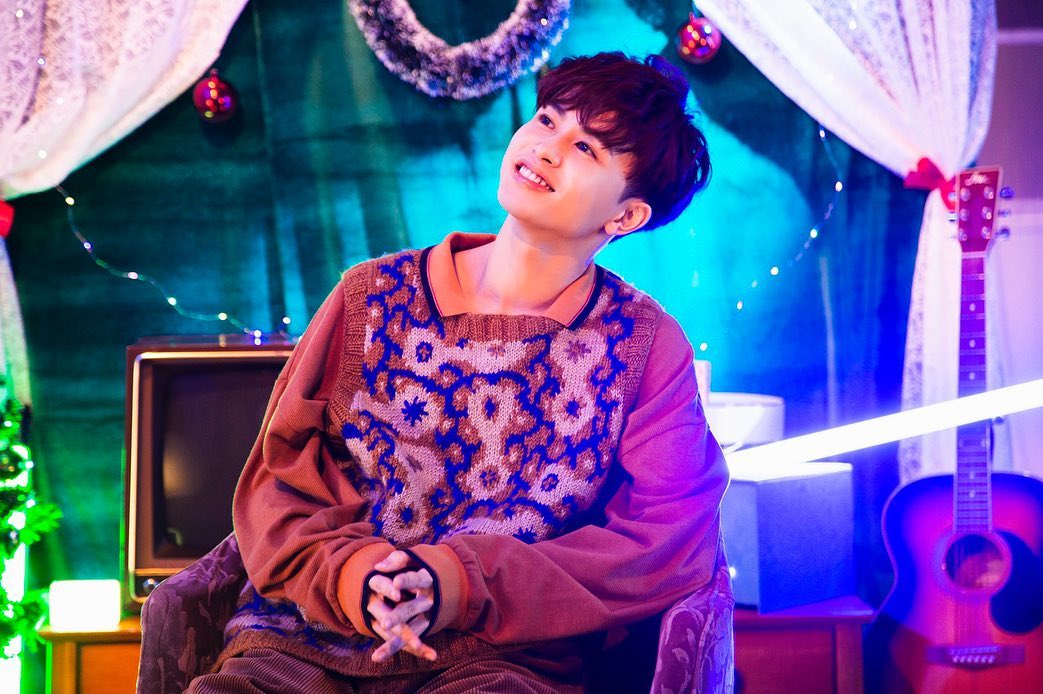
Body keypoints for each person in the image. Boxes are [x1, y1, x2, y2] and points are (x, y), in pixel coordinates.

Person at [188, 51, 729, 693]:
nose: (546, 148)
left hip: (503, 658)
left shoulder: (643, 343)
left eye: (585, 147)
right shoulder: (370, 296)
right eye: (547, 119)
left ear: (627, 216)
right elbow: (282, 477)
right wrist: (360, 576)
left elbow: (664, 536)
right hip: (307, 638)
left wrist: (457, 581)